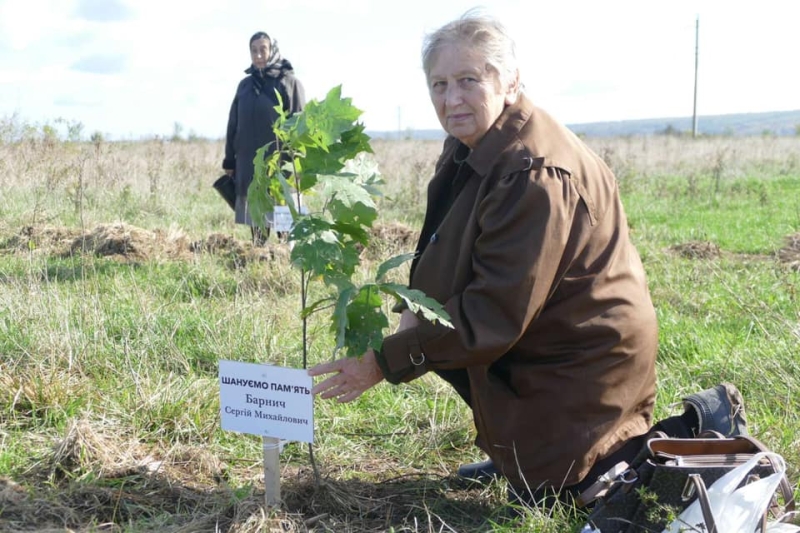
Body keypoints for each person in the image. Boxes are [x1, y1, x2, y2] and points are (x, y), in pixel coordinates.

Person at [308, 11, 746, 510]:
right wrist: (415, 314)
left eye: (469, 80)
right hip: (545, 343)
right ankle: (525, 458)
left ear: (511, 81)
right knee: (534, 474)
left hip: (580, 362)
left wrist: (386, 360)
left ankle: (657, 451)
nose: (452, 99)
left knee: (575, 494)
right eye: (440, 84)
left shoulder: (533, 174)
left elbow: (494, 315)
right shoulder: (477, 147)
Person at [222, 31, 306, 245]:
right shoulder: (245, 86)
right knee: (256, 214)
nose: (258, 55)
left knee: (284, 218)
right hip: (249, 162)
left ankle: (286, 261)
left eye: (263, 50)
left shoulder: (289, 82)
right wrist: (230, 161)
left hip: (281, 163)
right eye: (254, 50)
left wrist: (296, 165)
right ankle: (259, 256)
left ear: (272, 51)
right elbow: (233, 124)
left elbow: (299, 126)